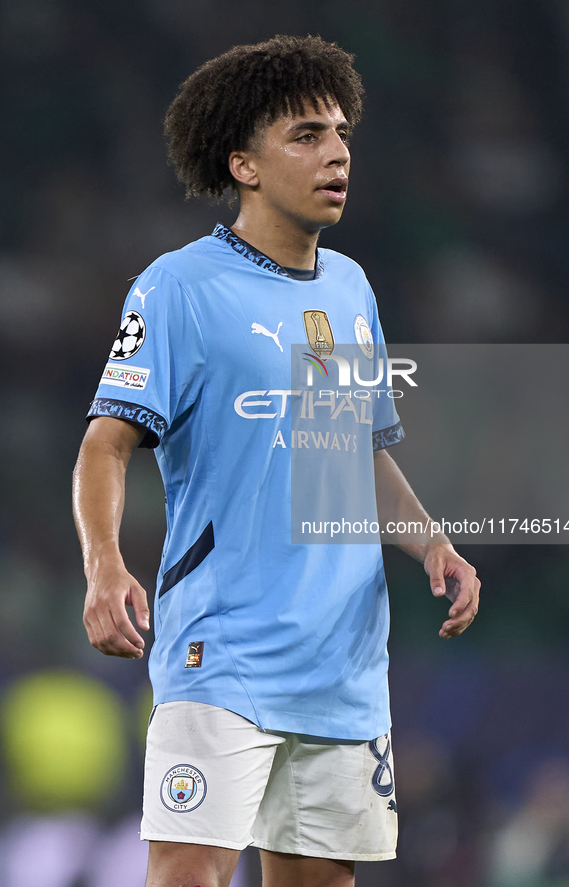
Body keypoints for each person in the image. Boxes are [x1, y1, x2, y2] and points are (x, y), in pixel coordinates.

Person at [73, 35, 480, 887]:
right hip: (223, 652)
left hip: (343, 660)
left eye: (340, 133)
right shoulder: (178, 287)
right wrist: (104, 564)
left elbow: (355, 453)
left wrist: (432, 544)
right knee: (188, 875)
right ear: (243, 165)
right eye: (304, 134)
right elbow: (105, 443)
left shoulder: (350, 289)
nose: (335, 152)